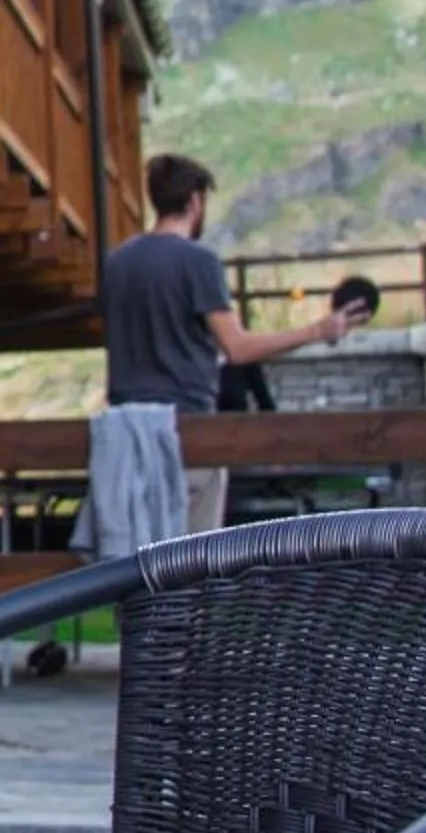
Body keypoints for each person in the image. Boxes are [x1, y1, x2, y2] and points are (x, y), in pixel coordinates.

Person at [80, 154, 360, 552]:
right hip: (188, 432)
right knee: (191, 562)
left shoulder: (117, 263)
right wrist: (319, 329)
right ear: (195, 202)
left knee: (133, 565)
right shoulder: (198, 262)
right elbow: (238, 347)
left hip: (123, 437)